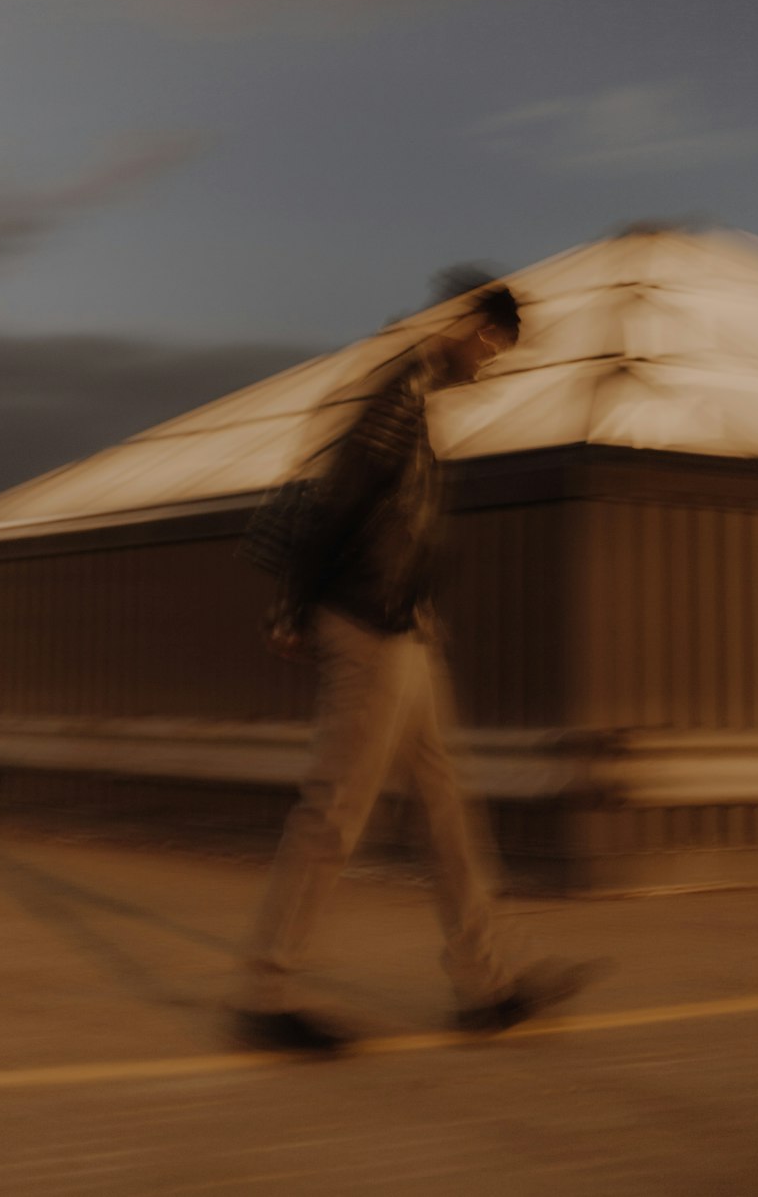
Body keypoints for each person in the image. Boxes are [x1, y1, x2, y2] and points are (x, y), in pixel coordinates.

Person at [233, 281, 588, 1054]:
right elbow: (339, 507)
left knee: (446, 813)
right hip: (367, 627)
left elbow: (395, 521)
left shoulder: (414, 400)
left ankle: (487, 985)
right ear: (467, 325)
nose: (492, 366)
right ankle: (265, 993)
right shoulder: (397, 396)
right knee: (334, 812)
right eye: (494, 346)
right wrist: (293, 608)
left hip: (403, 629)